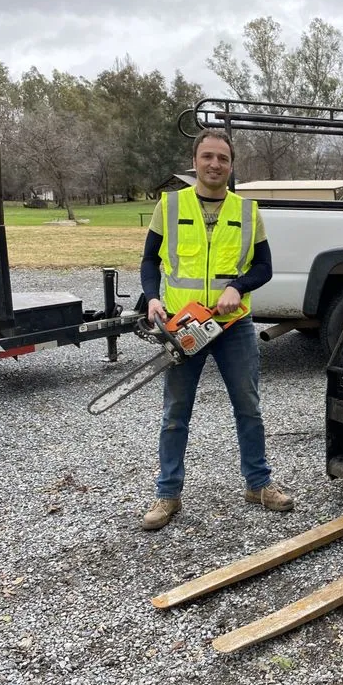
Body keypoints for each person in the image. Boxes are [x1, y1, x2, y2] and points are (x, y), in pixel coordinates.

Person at [138, 128, 294, 530]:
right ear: (196, 161)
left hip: (232, 324)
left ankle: (258, 484)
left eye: (222, 158)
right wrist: (152, 298)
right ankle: (167, 494)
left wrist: (237, 287)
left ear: (231, 164)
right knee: (176, 412)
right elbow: (149, 262)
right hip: (184, 326)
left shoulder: (246, 211)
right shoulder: (169, 206)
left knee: (249, 407)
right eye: (207, 156)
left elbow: (264, 268)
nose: (214, 164)